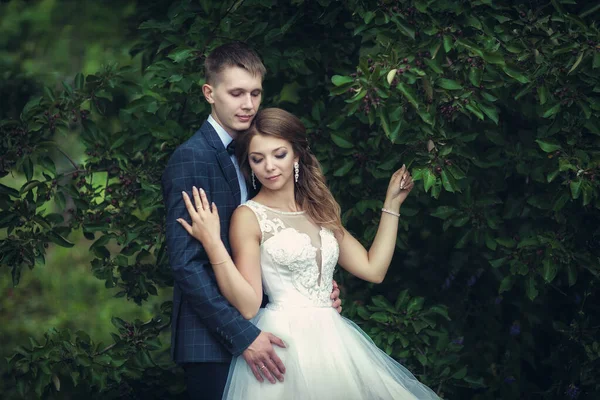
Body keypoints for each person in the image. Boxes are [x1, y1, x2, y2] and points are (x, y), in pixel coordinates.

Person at [176, 107, 441, 399]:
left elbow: (372, 269)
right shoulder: (248, 216)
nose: (269, 167)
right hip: (285, 344)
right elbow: (249, 305)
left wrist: (392, 205)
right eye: (257, 159)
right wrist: (213, 243)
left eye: (279, 154)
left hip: (334, 341)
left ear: (297, 155)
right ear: (249, 165)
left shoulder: (320, 210)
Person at [161, 43, 342, 400]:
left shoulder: (256, 154)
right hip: (214, 342)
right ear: (209, 93)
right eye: (236, 93)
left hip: (271, 329)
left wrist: (314, 292)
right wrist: (242, 335)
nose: (248, 104)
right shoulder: (191, 159)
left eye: (255, 93)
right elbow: (186, 264)